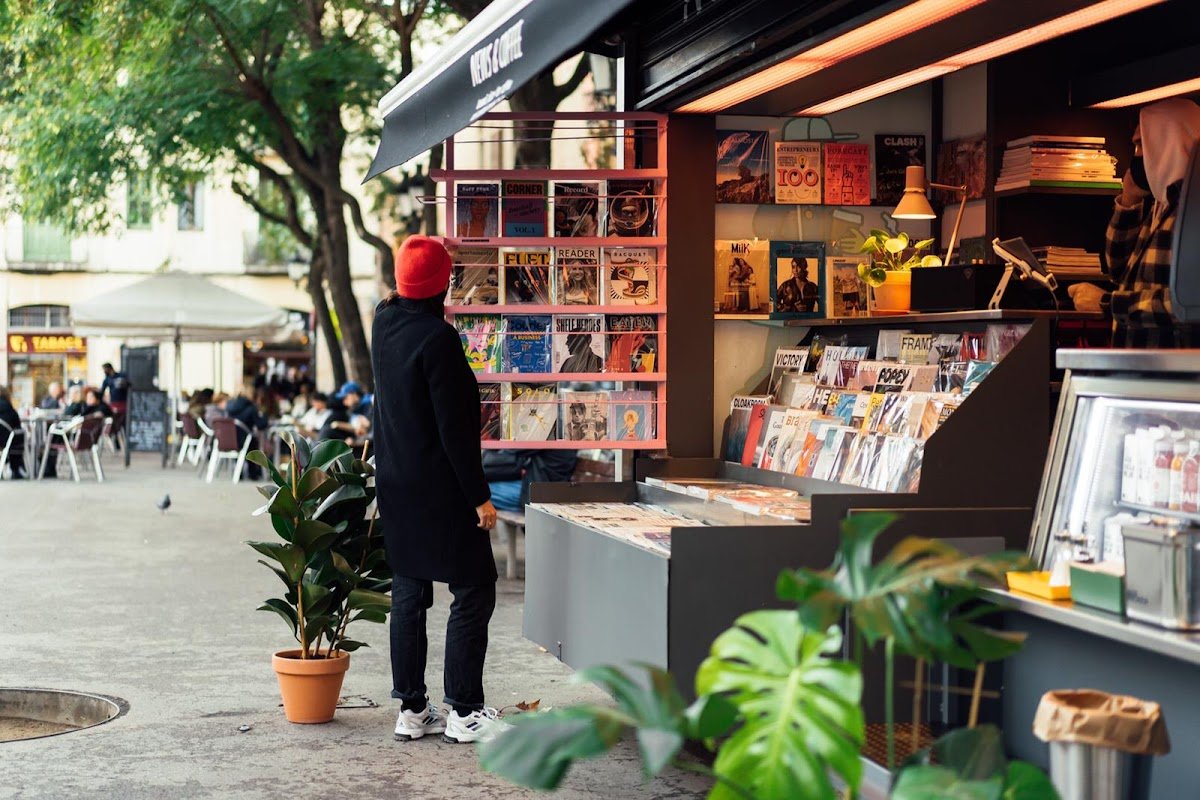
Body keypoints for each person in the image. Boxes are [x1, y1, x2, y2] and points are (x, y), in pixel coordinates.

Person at [372, 235, 502, 745]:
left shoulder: (384, 324)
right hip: (442, 490)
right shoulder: (439, 339)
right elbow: (455, 431)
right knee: (475, 588)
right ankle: (464, 710)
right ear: (442, 284)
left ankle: (411, 709)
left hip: (397, 485)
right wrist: (480, 498)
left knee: (408, 592)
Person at [1069, 98, 1200, 347]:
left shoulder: (1192, 211)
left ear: (1168, 141)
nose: (1137, 156)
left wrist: (1109, 303)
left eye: (1142, 145)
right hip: (1145, 372)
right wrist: (1128, 202)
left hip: (1178, 375)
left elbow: (1188, 303)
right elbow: (1118, 271)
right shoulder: (1160, 205)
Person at [483, 450, 578, 513]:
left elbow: (513, 449)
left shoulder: (547, 437)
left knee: (476, 493)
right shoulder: (561, 437)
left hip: (538, 496)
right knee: (476, 492)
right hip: (542, 489)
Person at [0, 385, 27, 479]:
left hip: (4, 439)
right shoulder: (7, 406)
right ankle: (16, 469)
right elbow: (17, 422)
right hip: (5, 439)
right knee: (19, 436)